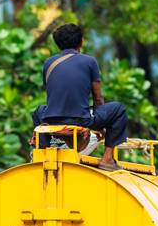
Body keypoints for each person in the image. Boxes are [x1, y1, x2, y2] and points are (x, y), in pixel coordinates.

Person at [32, 23, 128, 171]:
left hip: (51, 118)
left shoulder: (48, 63)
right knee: (119, 109)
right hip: (80, 119)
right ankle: (107, 159)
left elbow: (53, 93)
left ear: (58, 44)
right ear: (81, 42)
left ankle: (43, 152)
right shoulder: (89, 62)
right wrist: (100, 124)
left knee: (38, 111)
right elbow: (97, 98)